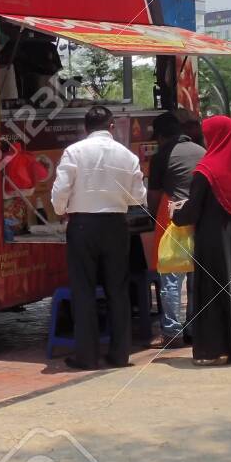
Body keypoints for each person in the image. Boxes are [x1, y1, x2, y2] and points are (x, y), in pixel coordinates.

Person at [50, 105, 147, 370]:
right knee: (118, 290)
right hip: (116, 225)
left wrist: (63, 211)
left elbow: (60, 191)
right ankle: (119, 355)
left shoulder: (74, 152)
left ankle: (87, 356)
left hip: (81, 225)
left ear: (85, 127)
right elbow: (139, 197)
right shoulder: (127, 156)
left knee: (83, 291)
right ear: (112, 126)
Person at [171, 116, 231, 366]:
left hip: (211, 240)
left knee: (210, 292)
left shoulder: (206, 170)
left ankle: (213, 350)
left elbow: (193, 210)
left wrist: (176, 214)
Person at [147, 112, 205, 347]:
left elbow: (153, 197)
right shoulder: (201, 151)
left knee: (171, 277)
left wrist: (151, 216)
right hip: (200, 219)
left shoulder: (162, 156)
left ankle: (171, 332)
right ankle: (193, 327)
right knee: (195, 277)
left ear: (161, 137)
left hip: (174, 220)